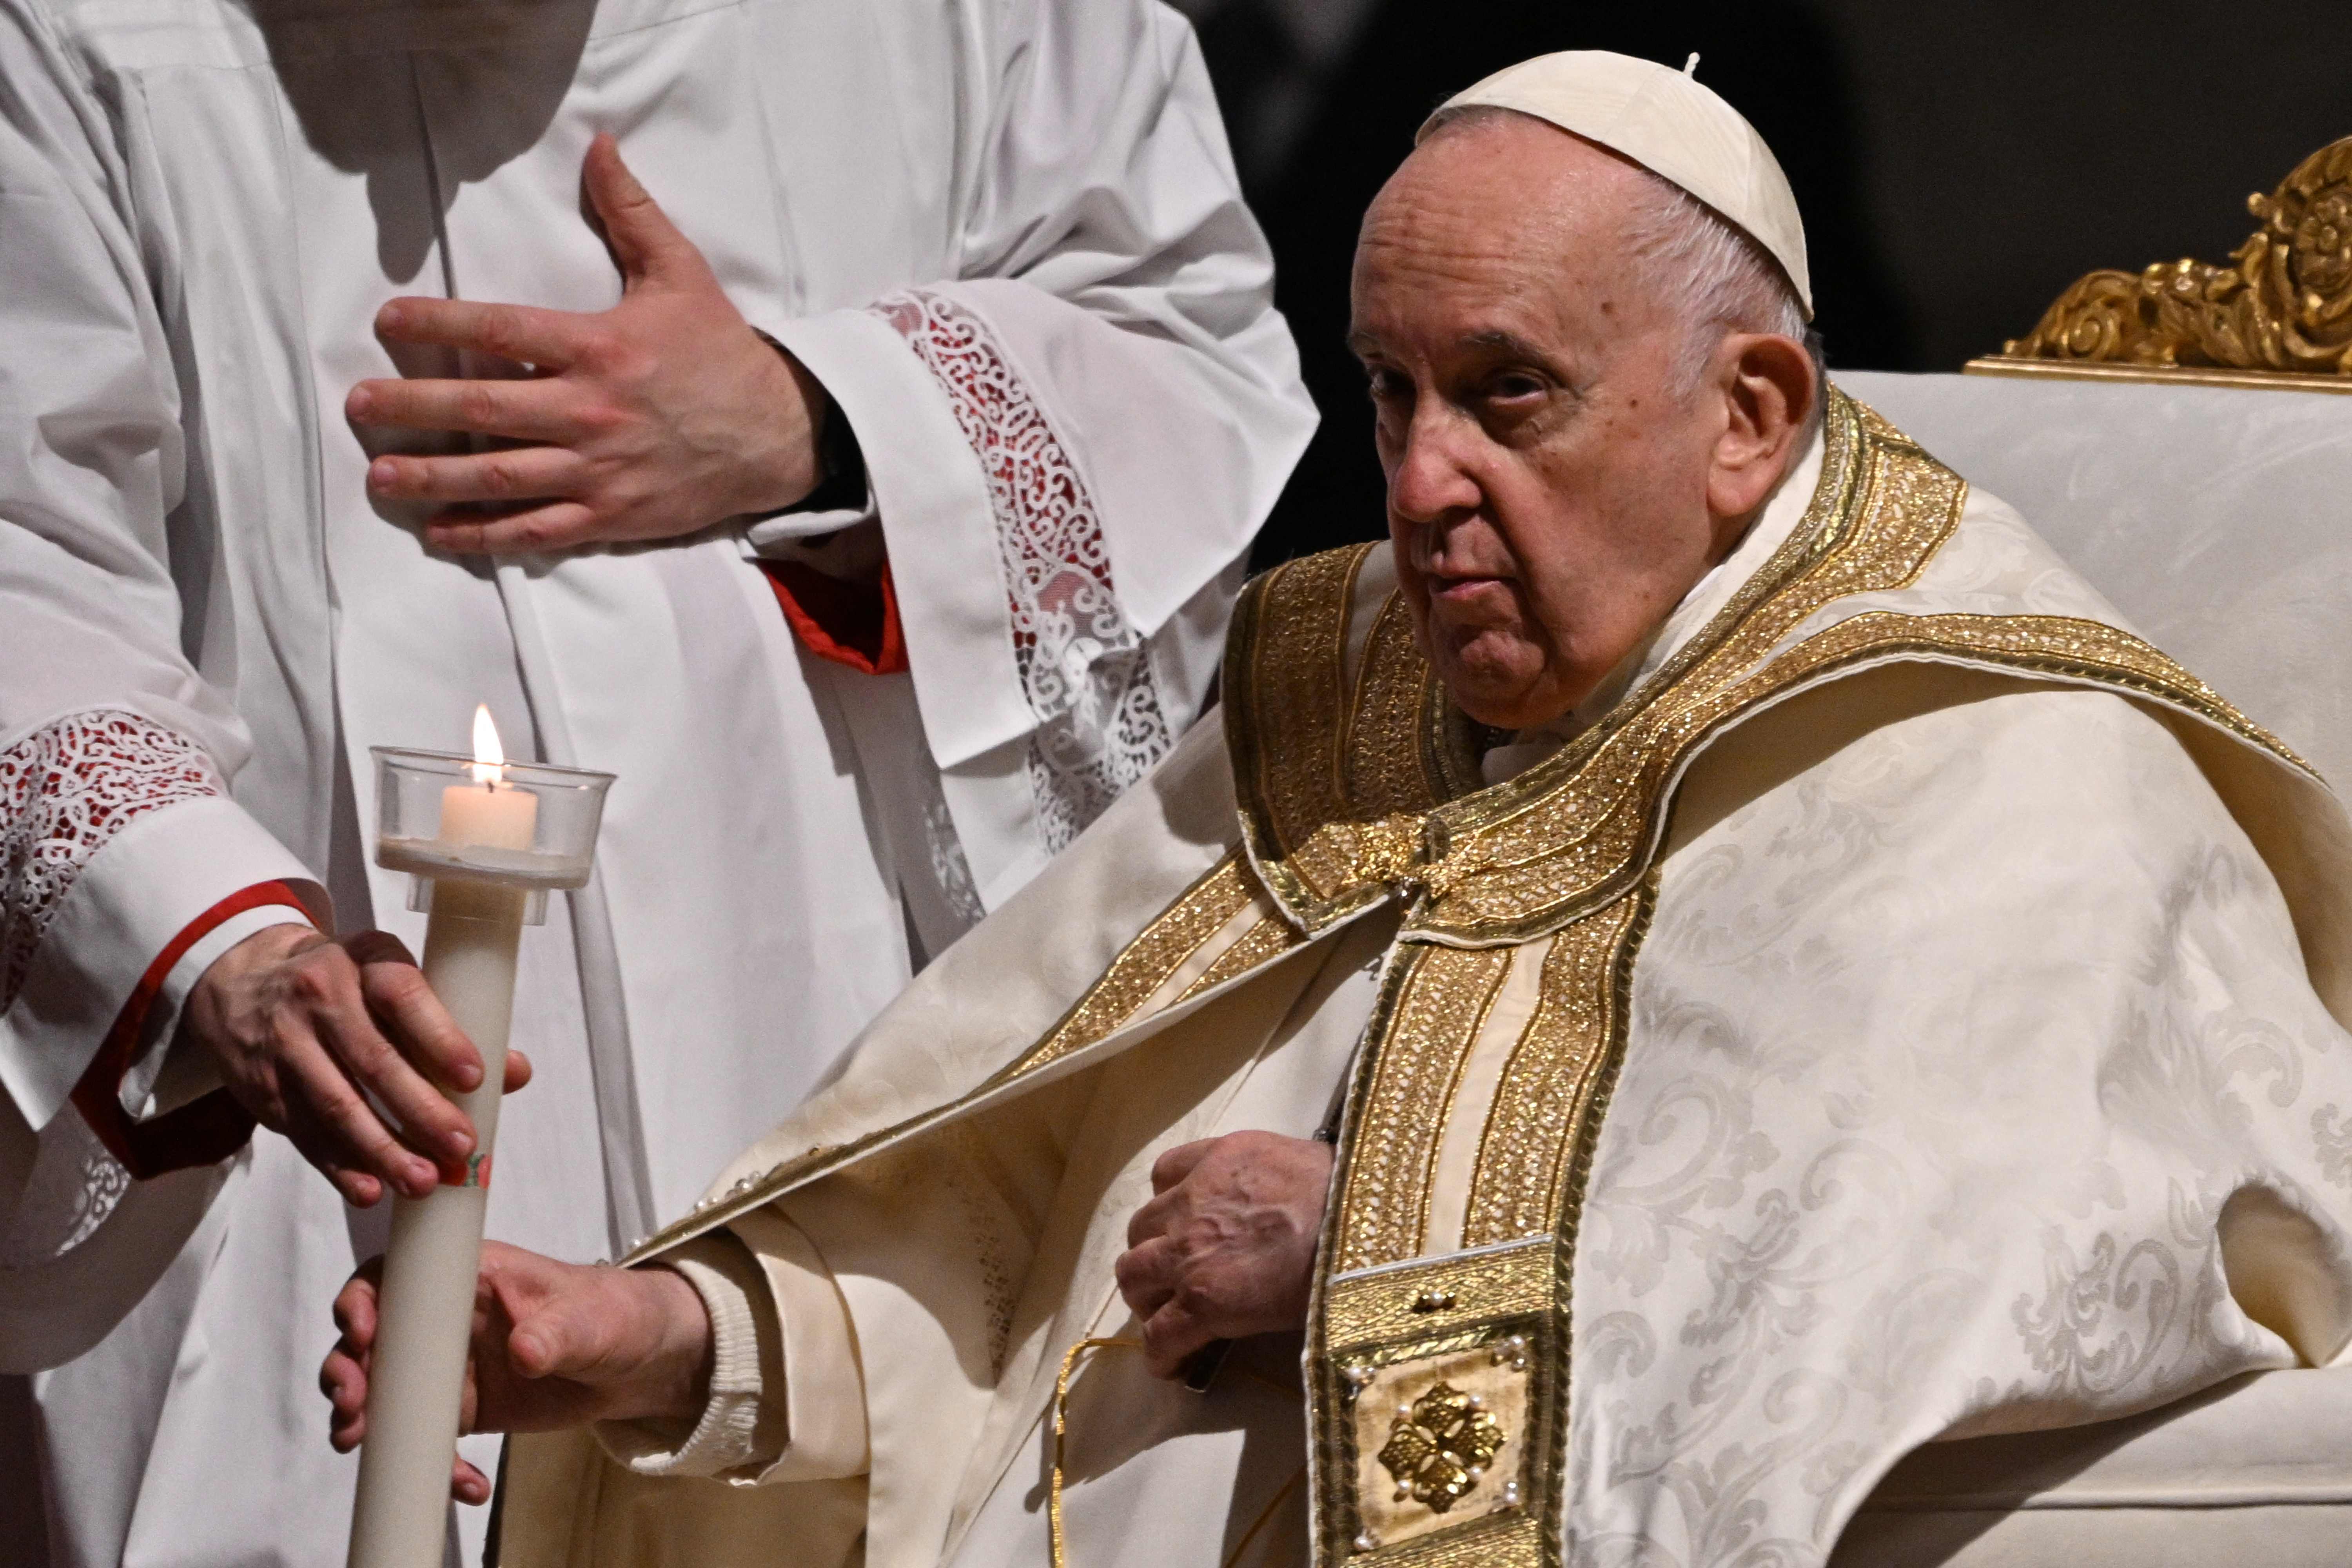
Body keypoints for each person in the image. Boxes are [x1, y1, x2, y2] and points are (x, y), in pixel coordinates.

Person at [325, 51, 2352, 1568]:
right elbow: (1028, 1257)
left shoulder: (1985, 761)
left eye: (1511, 393)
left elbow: (1998, 1268)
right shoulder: (1361, 689)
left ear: (1753, 418)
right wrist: (668, 1344)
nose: (1425, 480)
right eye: (1391, 394)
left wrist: (1369, 1251)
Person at [0, 0, 1313, 1563]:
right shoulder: (83, 35)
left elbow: (1185, 340)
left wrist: (818, 422)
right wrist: (221, 948)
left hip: (826, 1012)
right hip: (304, 1100)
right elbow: (27, 558)